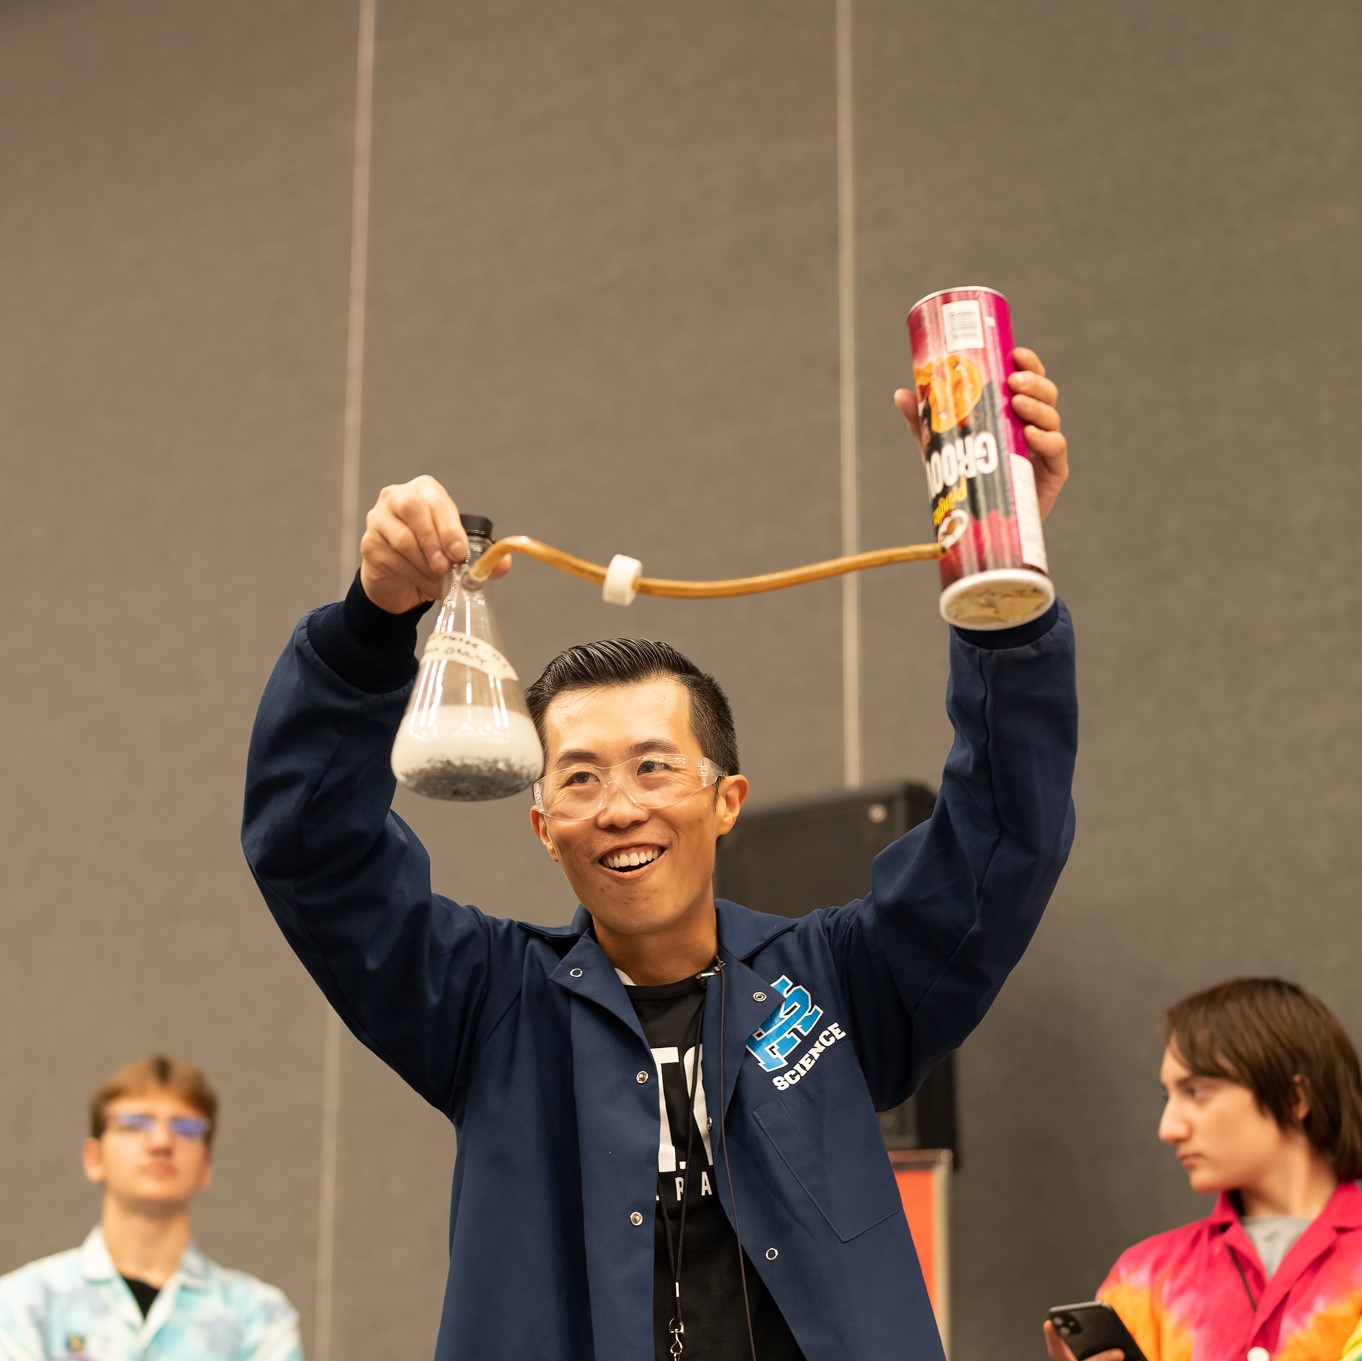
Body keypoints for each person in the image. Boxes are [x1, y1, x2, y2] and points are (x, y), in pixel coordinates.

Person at [242, 350, 1076, 1361]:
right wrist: (370, 627)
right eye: (580, 778)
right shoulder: (489, 1006)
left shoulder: (837, 988)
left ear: (727, 801)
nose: (619, 807)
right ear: (543, 823)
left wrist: (1006, 561)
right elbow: (311, 852)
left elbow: (1002, 837)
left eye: (653, 767)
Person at [1042, 978, 1362, 1361]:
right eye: (1168, 1096)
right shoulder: (1144, 1278)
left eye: (1196, 1091)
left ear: (1296, 1098)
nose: (1168, 1129)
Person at [0, 1055, 303, 1361]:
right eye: (135, 1124)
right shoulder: (22, 1304)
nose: (161, 1142)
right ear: (94, 1158)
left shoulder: (259, 1317)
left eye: (186, 1128)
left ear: (206, 1165)